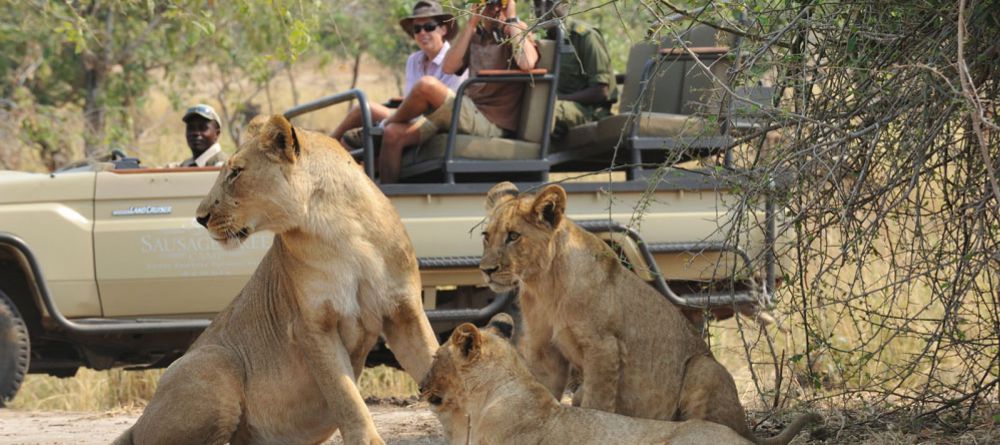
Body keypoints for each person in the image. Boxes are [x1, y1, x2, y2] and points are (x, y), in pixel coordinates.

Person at [377, 0, 539, 183]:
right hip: (468, 113)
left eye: (497, 4)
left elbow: (527, 62)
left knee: (427, 85)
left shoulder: (516, 31)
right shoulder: (476, 37)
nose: (492, 10)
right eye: (487, 4)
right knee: (393, 134)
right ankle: (388, 200)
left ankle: (383, 123)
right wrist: (471, 24)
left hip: (492, 123)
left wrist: (511, 18)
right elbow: (448, 66)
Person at [331, 0, 467, 146]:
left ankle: (323, 146)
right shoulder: (414, 60)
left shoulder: (454, 58)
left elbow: (447, 105)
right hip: (410, 116)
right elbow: (410, 99)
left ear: (443, 29)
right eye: (417, 29)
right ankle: (327, 145)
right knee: (354, 128)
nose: (422, 33)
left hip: (438, 120)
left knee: (365, 111)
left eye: (429, 27)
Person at [533, 0, 616, 140]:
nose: (542, 10)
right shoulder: (541, 40)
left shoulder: (585, 37)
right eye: (537, 4)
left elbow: (600, 91)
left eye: (548, 3)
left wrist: (557, 99)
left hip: (589, 110)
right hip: (558, 105)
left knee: (544, 110)